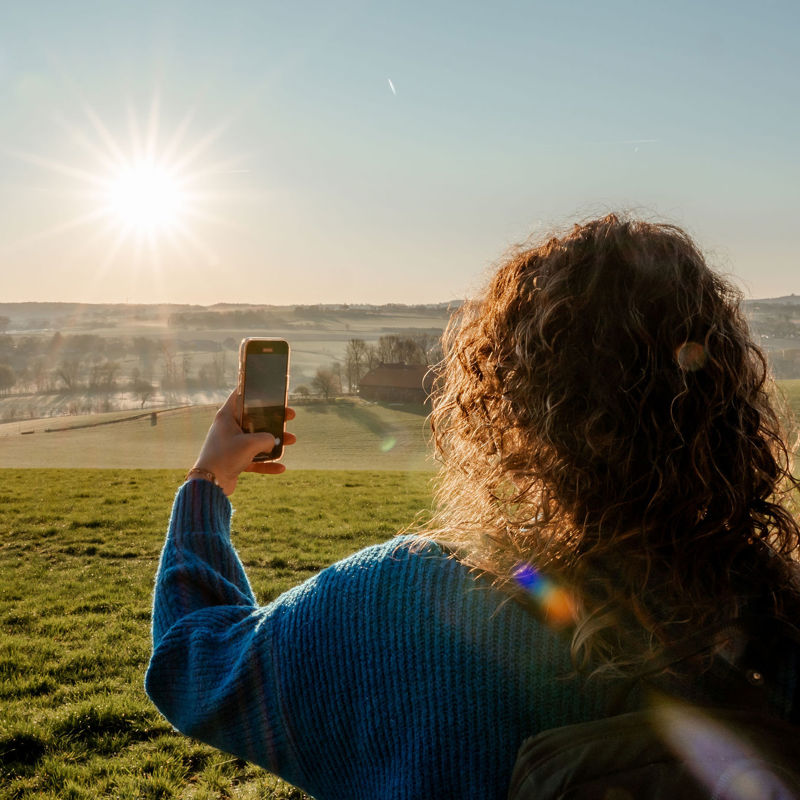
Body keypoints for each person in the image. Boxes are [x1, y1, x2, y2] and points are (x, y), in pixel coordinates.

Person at [145, 214, 800, 799]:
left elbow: (191, 663)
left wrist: (210, 479)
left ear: (504, 401)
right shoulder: (778, 624)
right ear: (725, 395)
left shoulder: (403, 603)